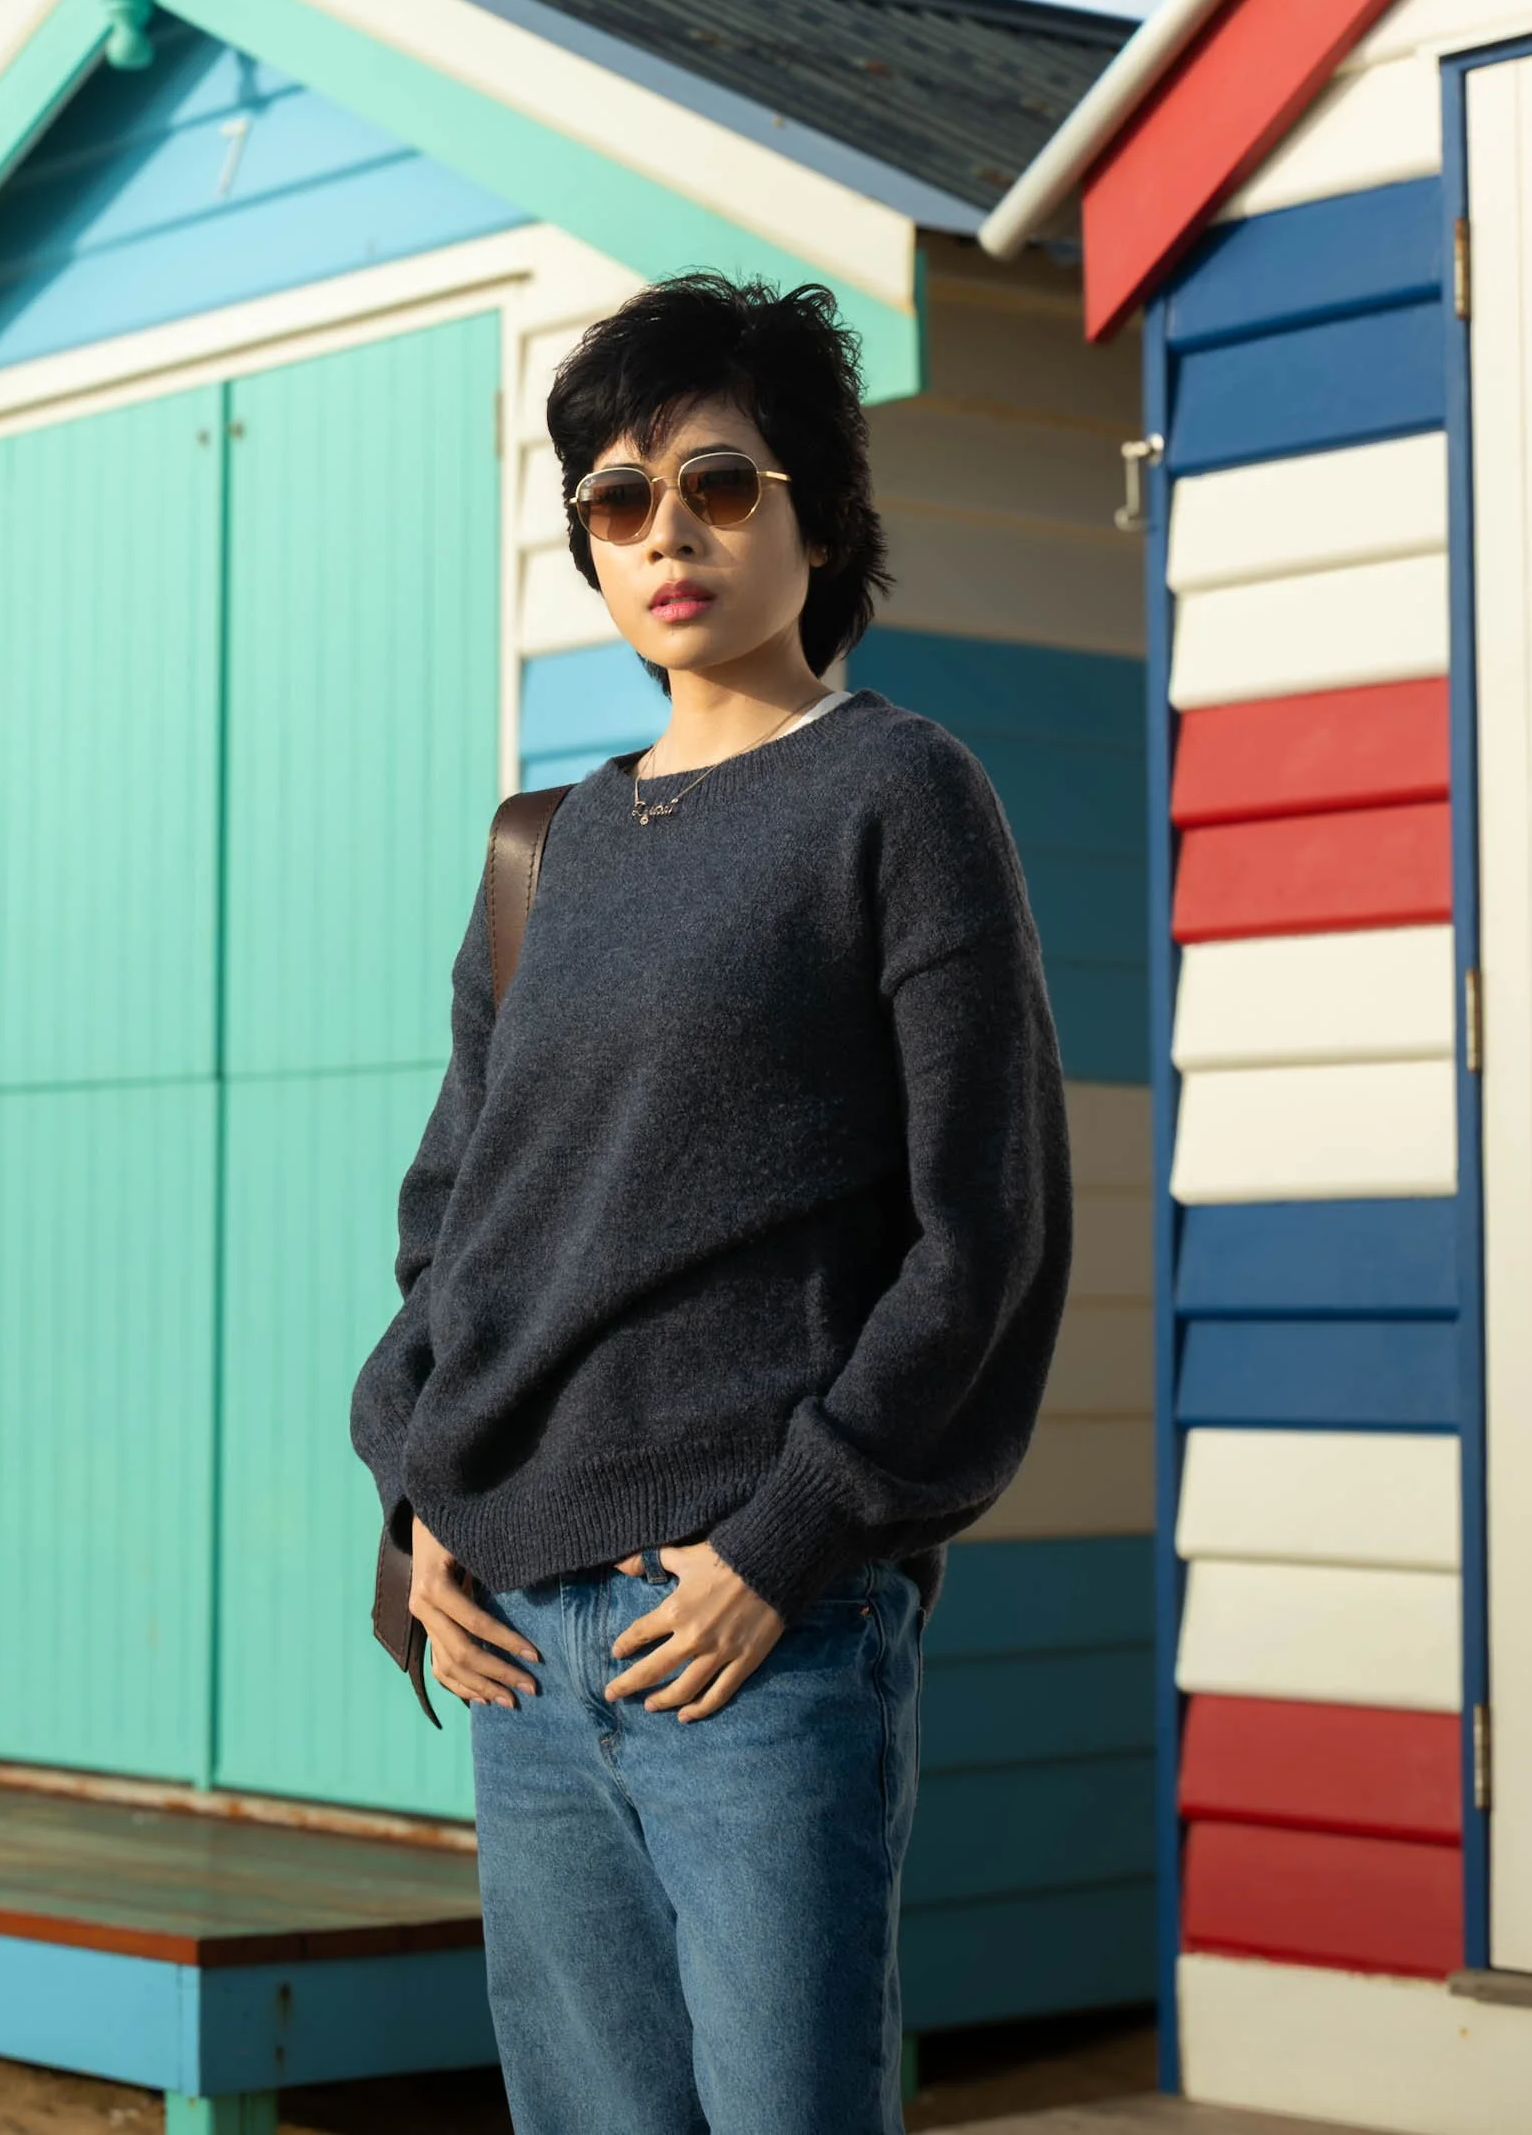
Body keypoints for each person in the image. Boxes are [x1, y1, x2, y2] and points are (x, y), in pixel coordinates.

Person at [349, 271, 1073, 2135]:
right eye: (617, 497)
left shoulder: (900, 794)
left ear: (818, 517)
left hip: (750, 1636)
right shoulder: (547, 847)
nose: (666, 531)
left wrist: (790, 1540)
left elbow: (978, 1232)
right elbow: (453, 1223)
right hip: (511, 1638)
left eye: (721, 483)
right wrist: (419, 1498)